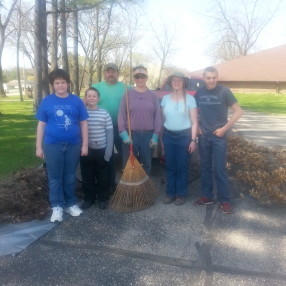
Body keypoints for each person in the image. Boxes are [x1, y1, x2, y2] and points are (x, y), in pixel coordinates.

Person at [36, 69, 88, 223]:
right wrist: (38, 146)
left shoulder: (76, 101)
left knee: (70, 176)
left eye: (63, 82)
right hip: (52, 145)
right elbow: (41, 125)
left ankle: (70, 204)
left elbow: (84, 123)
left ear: (68, 83)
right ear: (53, 85)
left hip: (73, 144)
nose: (60, 85)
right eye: (57, 83)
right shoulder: (47, 101)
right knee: (54, 177)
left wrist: (85, 144)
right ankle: (57, 206)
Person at [194, 66, 243, 214]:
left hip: (219, 136)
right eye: (208, 78)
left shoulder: (224, 91)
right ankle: (206, 196)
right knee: (205, 167)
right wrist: (196, 126)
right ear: (203, 78)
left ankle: (224, 200)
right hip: (204, 136)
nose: (211, 80)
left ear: (217, 77)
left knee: (220, 168)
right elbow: (193, 111)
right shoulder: (200, 92)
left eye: (214, 77)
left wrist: (224, 128)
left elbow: (239, 111)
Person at [161, 71, 198, 206]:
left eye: (179, 80)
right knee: (170, 166)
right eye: (174, 80)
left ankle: (181, 194)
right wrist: (161, 139)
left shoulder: (190, 99)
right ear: (171, 83)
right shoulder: (165, 99)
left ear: (183, 82)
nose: (176, 83)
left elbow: (194, 122)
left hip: (184, 136)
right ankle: (170, 193)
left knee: (182, 166)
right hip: (168, 136)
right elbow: (162, 120)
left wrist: (193, 140)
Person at [118, 65, 161, 175]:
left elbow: (158, 117)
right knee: (129, 166)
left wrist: (155, 136)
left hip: (148, 136)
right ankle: (129, 190)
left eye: (143, 76)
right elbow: (121, 115)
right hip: (131, 134)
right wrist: (123, 134)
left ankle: (143, 190)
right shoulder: (127, 94)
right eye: (137, 76)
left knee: (146, 166)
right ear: (134, 78)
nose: (140, 79)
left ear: (147, 78)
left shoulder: (153, 96)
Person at [92, 63, 126, 193]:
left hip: (121, 127)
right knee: (108, 156)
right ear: (104, 73)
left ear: (117, 73)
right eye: (108, 71)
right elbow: (84, 103)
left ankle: (127, 183)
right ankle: (110, 184)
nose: (110, 74)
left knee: (125, 155)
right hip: (102, 129)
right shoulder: (96, 87)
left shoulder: (126, 88)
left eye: (113, 71)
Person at [80, 87, 113, 210]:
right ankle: (89, 198)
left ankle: (102, 198)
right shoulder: (82, 113)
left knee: (102, 176)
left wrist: (108, 153)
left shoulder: (104, 113)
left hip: (101, 150)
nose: (92, 98)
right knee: (87, 175)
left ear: (98, 98)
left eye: (94, 96)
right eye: (89, 96)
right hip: (86, 150)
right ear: (86, 98)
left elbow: (110, 134)